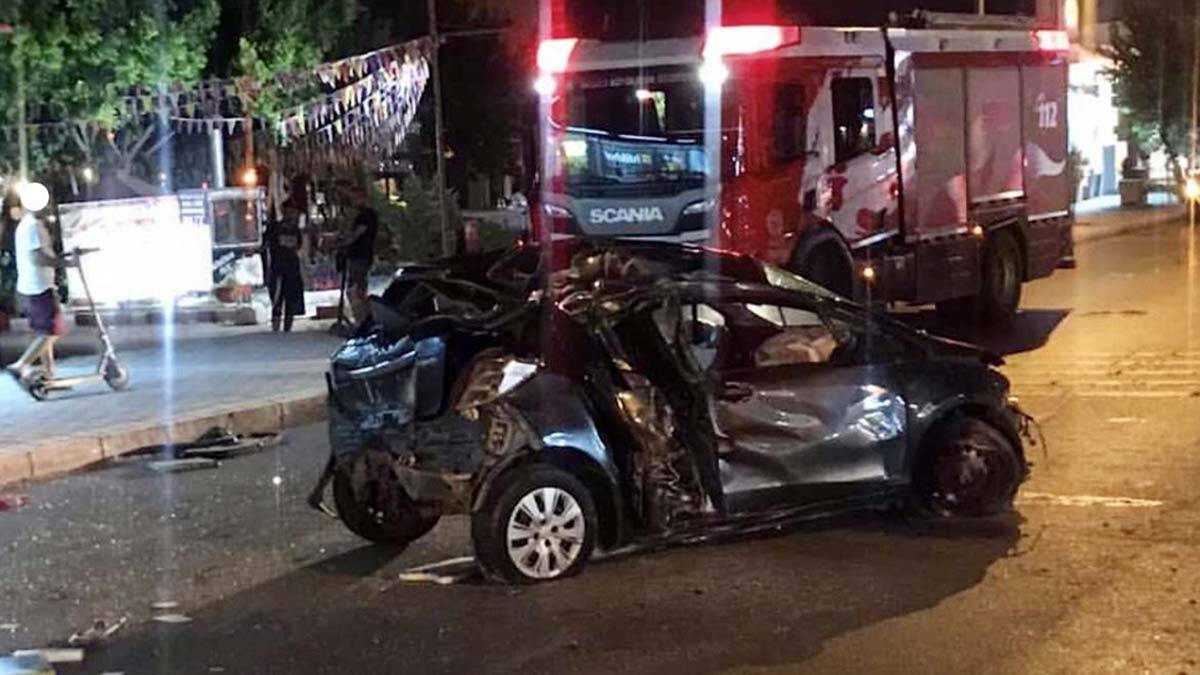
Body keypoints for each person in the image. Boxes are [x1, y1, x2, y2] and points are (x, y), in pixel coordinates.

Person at [5, 198, 69, 382]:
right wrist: (64, 263)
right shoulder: (33, 226)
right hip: (40, 285)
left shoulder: (25, 225)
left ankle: (49, 374)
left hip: (32, 285)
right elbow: (37, 258)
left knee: (45, 331)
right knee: (52, 330)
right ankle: (21, 364)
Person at [262, 200, 306, 332]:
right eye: (290, 211)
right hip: (278, 267)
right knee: (277, 297)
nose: (292, 214)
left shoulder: (295, 229)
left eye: (294, 212)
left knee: (291, 298)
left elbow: (298, 246)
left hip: (292, 267)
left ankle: (288, 328)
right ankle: (275, 327)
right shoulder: (274, 227)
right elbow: (266, 244)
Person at [340, 186, 379, 324]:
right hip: (358, 255)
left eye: (357, 198)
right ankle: (361, 318)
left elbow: (357, 234)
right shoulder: (361, 215)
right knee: (356, 289)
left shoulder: (367, 215)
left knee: (356, 290)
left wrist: (343, 242)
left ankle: (362, 320)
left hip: (360, 256)